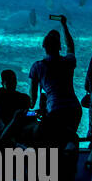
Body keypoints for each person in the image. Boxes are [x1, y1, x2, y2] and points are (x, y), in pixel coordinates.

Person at [28, 15, 81, 149]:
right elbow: (70, 46)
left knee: (54, 143)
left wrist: (30, 110)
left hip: (55, 110)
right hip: (74, 108)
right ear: (59, 47)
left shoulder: (37, 67)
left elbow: (32, 99)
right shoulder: (69, 61)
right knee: (69, 139)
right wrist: (64, 24)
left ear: (43, 46)